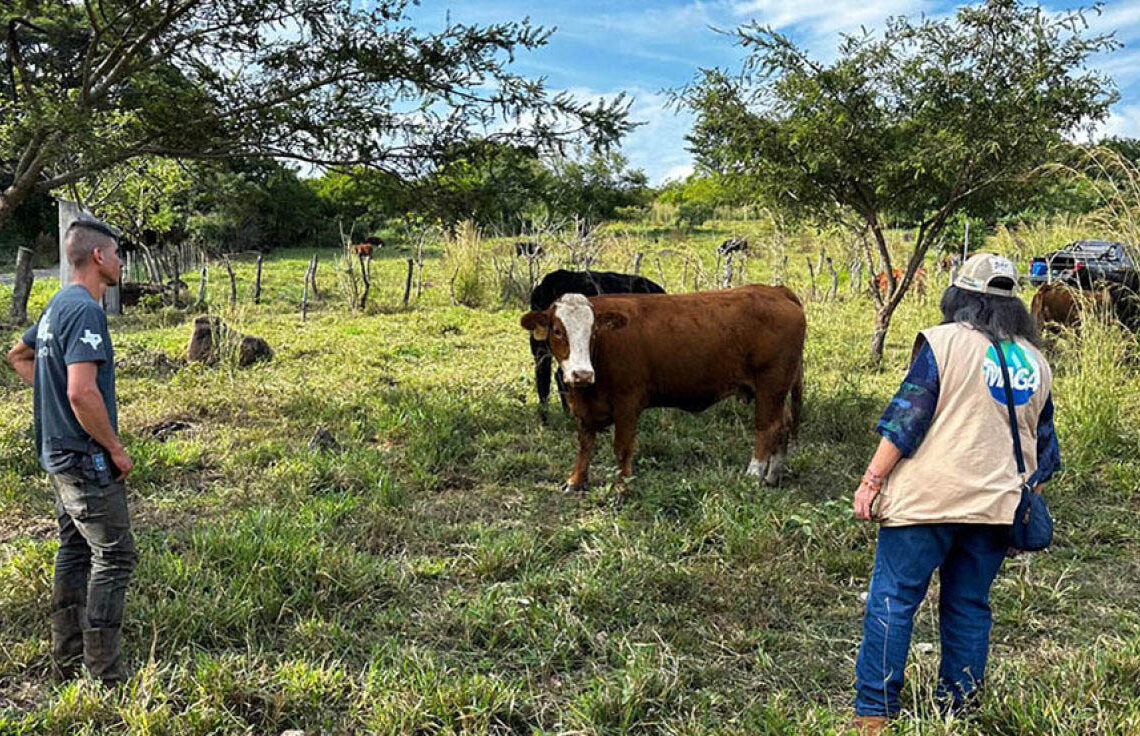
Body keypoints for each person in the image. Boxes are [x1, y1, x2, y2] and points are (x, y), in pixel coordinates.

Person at [850, 253, 1061, 734]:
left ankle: (874, 712)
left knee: (893, 599)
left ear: (959, 297)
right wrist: (1018, 508)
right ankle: (959, 708)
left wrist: (871, 481)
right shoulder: (1036, 361)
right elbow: (1044, 448)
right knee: (969, 605)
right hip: (996, 505)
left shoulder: (943, 343)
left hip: (927, 501)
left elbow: (907, 418)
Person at [6, 219, 137, 684]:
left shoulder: (57, 304)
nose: (120, 262)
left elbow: (18, 356)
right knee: (115, 556)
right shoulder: (84, 310)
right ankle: (105, 673)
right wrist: (115, 448)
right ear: (99, 257)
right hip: (85, 457)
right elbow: (82, 392)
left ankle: (66, 657)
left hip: (57, 454)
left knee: (75, 548)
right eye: (117, 254)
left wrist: (53, 395)